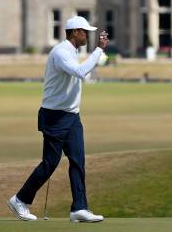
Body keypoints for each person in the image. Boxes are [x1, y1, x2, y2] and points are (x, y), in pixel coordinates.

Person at [8, 16, 109, 223]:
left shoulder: (72, 52)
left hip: (71, 115)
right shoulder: (61, 52)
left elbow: (83, 74)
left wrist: (98, 54)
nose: (87, 35)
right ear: (74, 32)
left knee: (78, 161)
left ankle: (79, 209)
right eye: (84, 32)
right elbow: (81, 72)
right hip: (54, 116)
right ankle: (19, 199)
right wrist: (99, 50)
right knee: (50, 163)